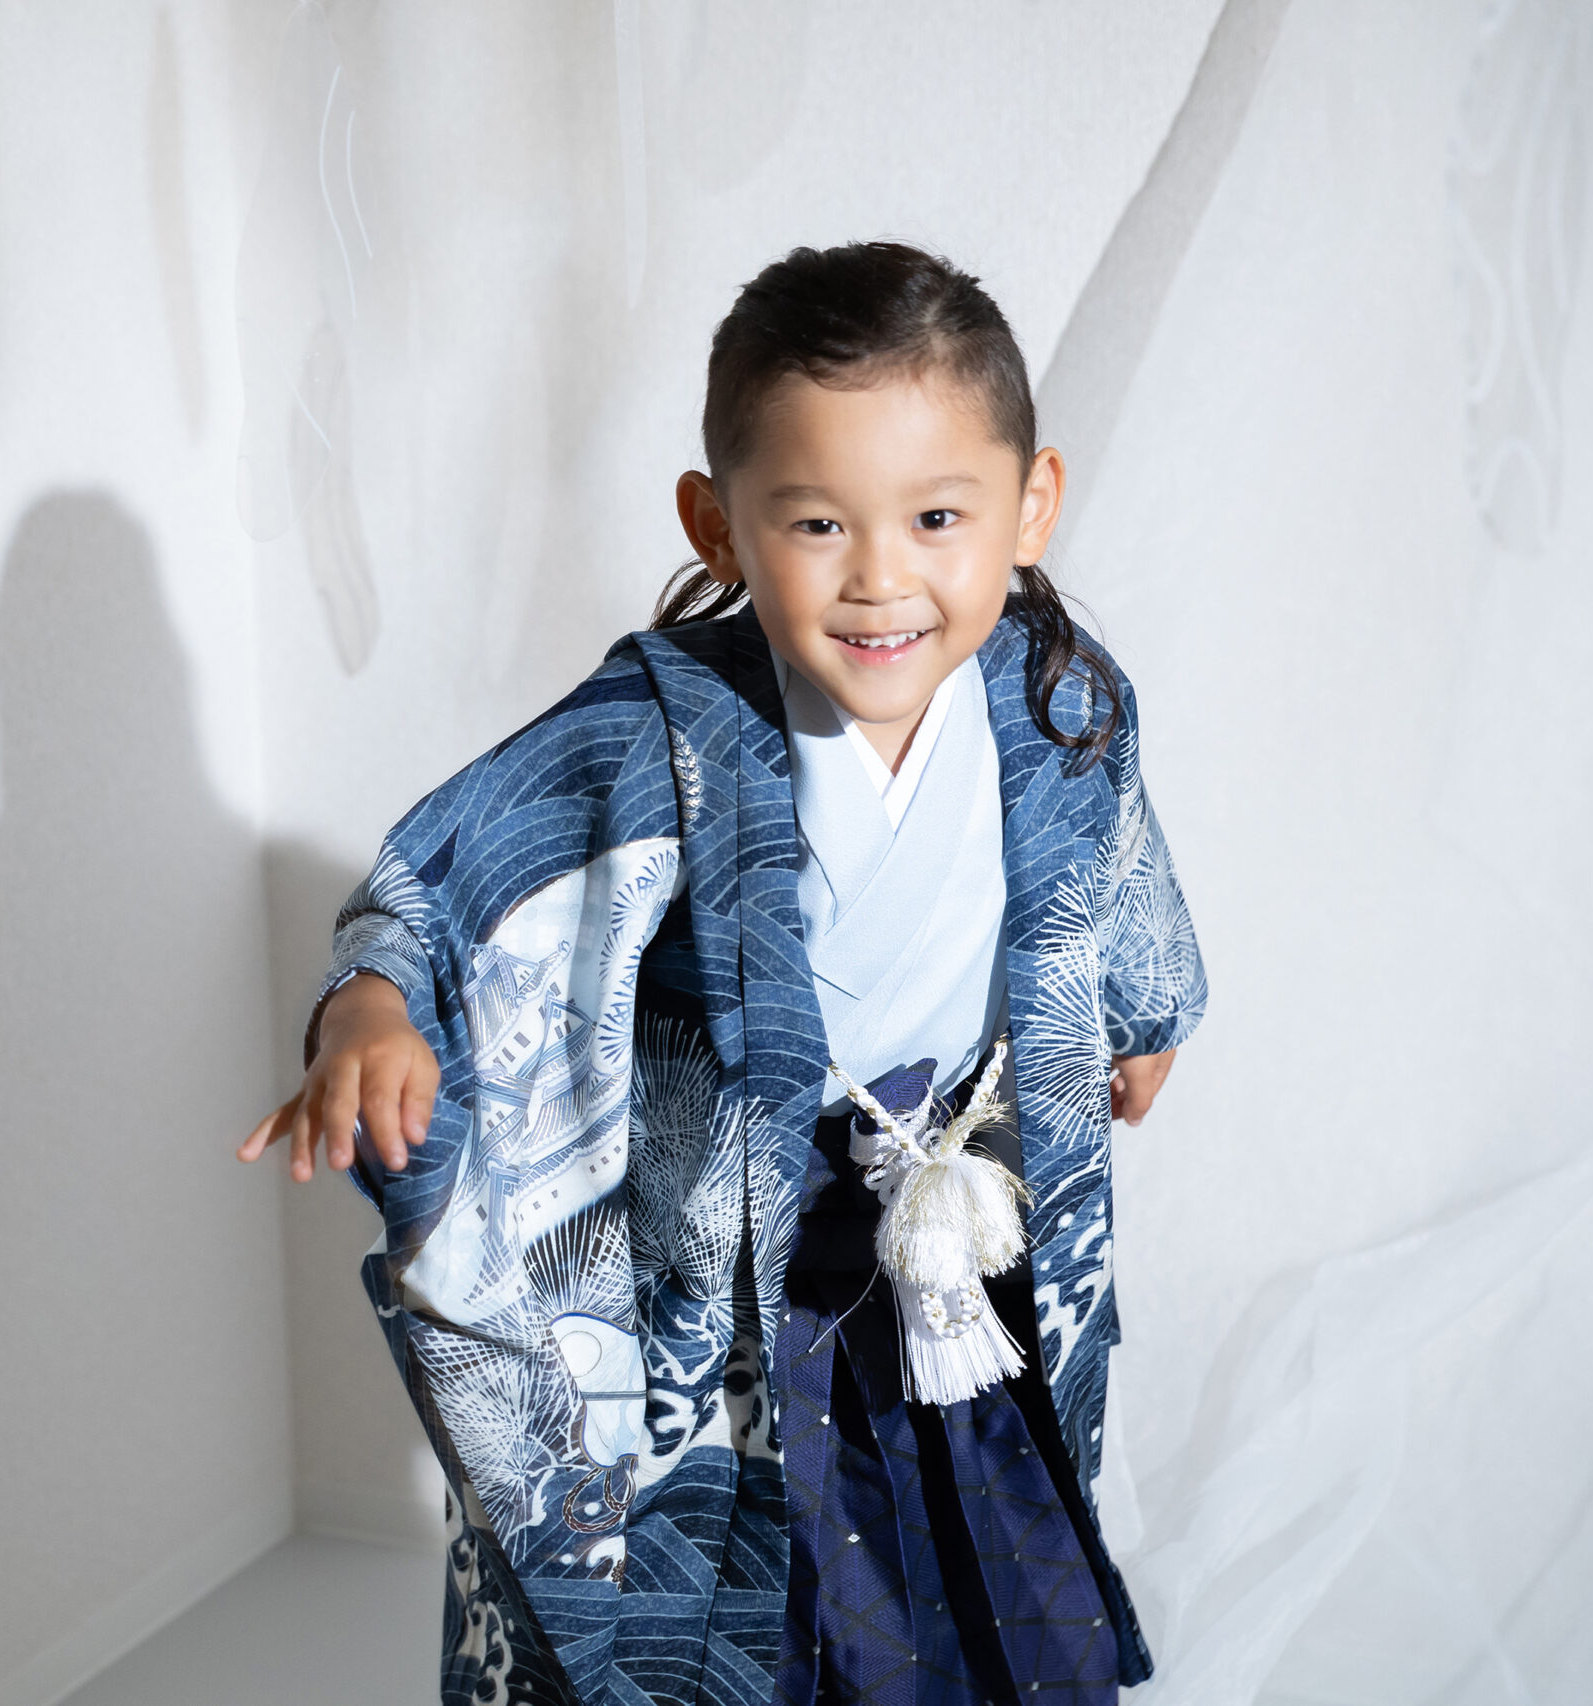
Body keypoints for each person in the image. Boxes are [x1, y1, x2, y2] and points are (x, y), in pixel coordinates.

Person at [238, 242, 1206, 1706]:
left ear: (1032, 505)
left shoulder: (1054, 693)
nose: (881, 578)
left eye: (938, 516)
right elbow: (448, 878)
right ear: (720, 525)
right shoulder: (664, 725)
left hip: (962, 1219)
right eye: (817, 522)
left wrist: (1132, 1005)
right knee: (765, 1599)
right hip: (743, 1267)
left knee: (979, 1562)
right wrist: (374, 1004)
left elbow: (1111, 856)